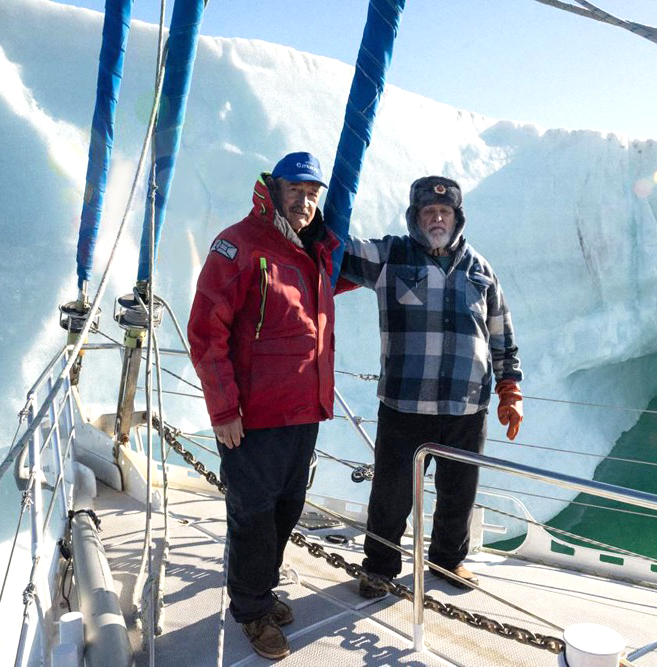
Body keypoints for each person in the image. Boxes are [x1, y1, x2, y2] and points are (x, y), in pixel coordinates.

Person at [338, 175, 524, 597]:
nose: (436, 218)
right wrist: (308, 212)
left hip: (466, 407)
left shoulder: (481, 270)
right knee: (391, 495)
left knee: (459, 492)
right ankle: (380, 567)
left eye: (444, 212)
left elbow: (501, 333)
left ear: (457, 218)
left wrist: (510, 389)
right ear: (415, 217)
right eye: (428, 212)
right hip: (406, 404)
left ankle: (448, 559)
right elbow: (337, 248)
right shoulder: (391, 255)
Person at [187, 152, 340, 660]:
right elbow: (207, 330)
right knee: (252, 515)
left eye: (312, 193)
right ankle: (250, 610)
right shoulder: (241, 245)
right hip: (253, 418)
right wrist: (224, 409)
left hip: (303, 413)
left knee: (286, 508)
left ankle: (261, 590)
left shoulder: (314, 250)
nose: (304, 200)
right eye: (295, 189)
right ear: (272, 189)